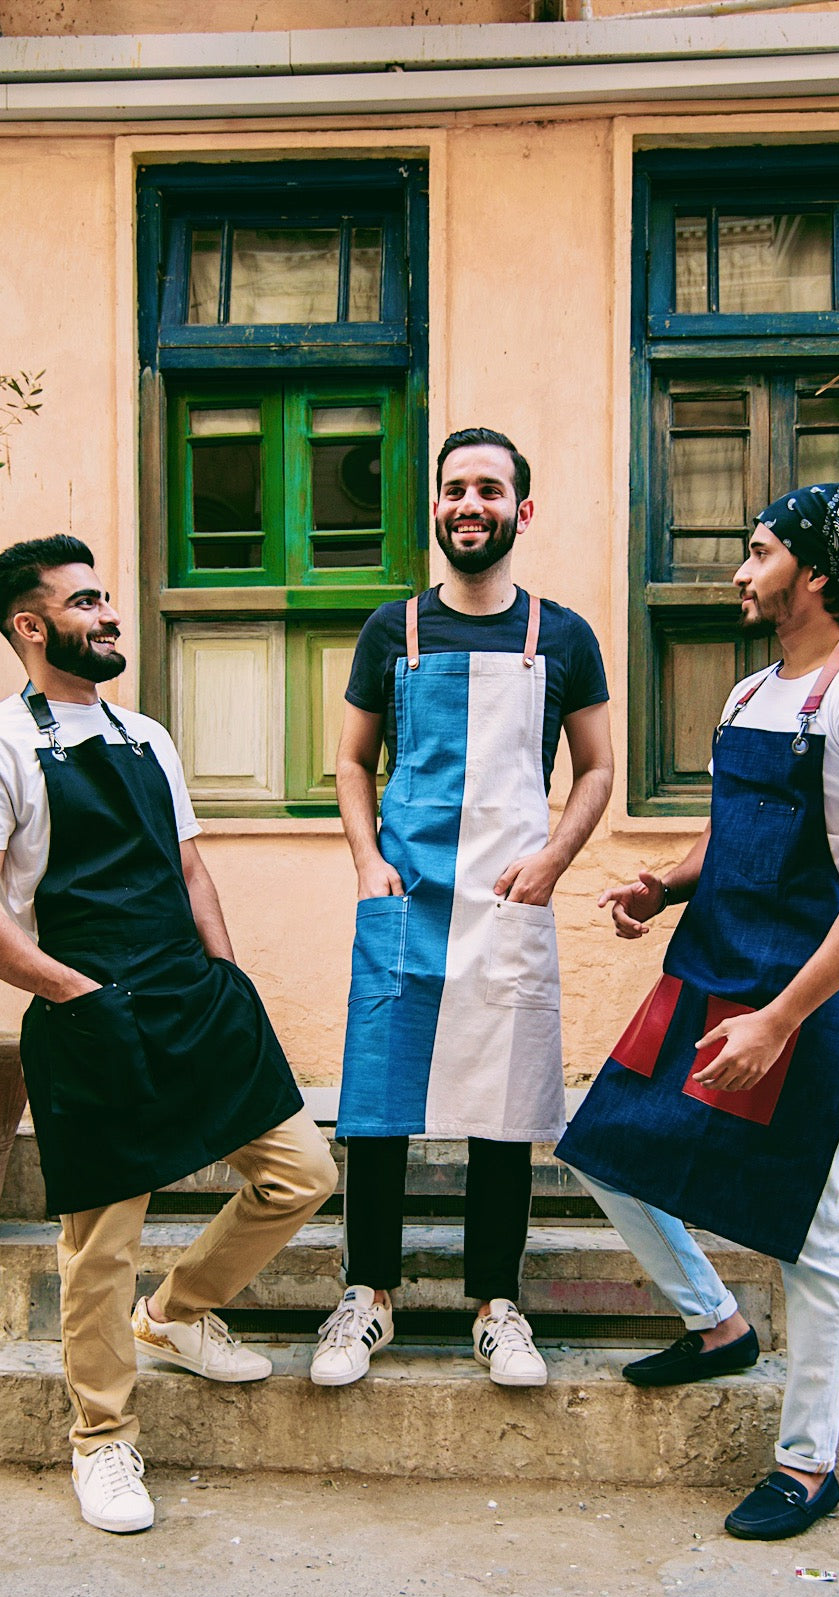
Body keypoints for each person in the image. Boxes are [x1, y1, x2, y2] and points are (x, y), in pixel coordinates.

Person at [0, 535, 337, 1536]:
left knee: (301, 1173)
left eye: (108, 598)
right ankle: (102, 1439)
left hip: (191, 996)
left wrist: (225, 976)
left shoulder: (146, 735)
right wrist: (80, 996)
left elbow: (191, 869)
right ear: (32, 626)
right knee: (99, 1250)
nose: (111, 615)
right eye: (87, 602)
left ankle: (178, 1314)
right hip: (88, 1013)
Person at [556, 482, 839, 1539]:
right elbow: (734, 837)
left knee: (805, 1232)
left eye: (760, 551)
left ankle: (809, 1465)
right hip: (709, 965)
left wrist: (780, 1020)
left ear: (813, 573)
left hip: (804, 1000)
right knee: (600, 1143)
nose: (740, 569)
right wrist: (661, 886)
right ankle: (715, 1324)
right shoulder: (752, 694)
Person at [311, 429, 613, 1390]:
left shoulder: (560, 635)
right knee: (378, 1100)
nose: (468, 504)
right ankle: (368, 1297)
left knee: (506, 1098)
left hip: (509, 895)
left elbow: (599, 767)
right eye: (453, 489)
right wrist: (366, 861)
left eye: (489, 489)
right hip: (406, 893)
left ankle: (497, 1302)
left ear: (521, 510)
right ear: (434, 507)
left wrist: (554, 861)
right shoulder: (388, 631)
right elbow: (353, 762)